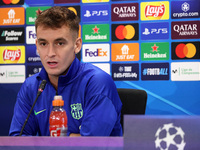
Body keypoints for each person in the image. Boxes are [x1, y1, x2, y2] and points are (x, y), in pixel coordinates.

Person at [9, 6, 122, 136]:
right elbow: (17, 141)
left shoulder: (97, 82)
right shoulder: (31, 86)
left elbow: (90, 145)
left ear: (77, 45)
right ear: (37, 46)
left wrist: (45, 142)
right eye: (43, 44)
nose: (50, 53)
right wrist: (72, 137)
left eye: (60, 43)